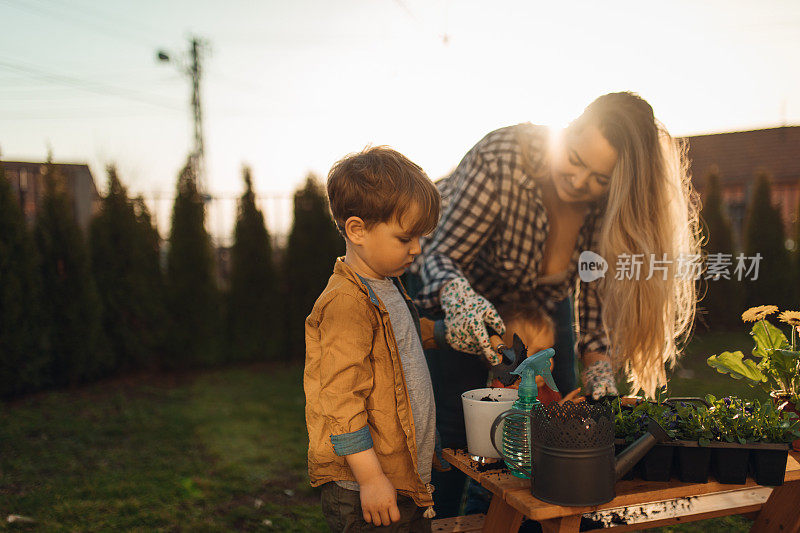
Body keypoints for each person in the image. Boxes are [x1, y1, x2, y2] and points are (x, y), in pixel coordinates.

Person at [408, 91, 701, 516]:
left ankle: (535, 515)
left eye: (599, 178)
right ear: (569, 130)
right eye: (577, 160)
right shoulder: (502, 159)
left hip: (543, 305)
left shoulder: (606, 207)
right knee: (461, 428)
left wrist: (600, 380)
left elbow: (592, 304)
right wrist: (463, 304)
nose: (581, 183)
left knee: (558, 416)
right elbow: (441, 256)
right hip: (459, 289)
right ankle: (444, 518)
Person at [304, 146, 442, 532]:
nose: (417, 248)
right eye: (405, 238)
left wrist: (448, 333)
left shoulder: (387, 284)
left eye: (420, 237)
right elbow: (340, 400)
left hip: (402, 477)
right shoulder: (346, 303)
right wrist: (369, 479)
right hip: (365, 489)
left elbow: (401, 344)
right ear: (357, 230)